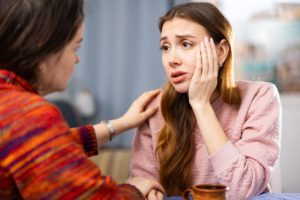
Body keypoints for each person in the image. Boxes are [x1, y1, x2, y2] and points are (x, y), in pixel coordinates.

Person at [0, 0, 165, 199]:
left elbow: (44, 144)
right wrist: (134, 189)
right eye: (74, 48)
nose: (77, 59)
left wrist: (120, 124)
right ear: (42, 49)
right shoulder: (26, 115)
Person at [130, 2, 281, 200]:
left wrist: (201, 105)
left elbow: (242, 189)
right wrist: (148, 190)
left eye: (186, 44)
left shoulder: (260, 97)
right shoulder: (154, 107)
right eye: (165, 47)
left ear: (221, 52)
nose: (171, 59)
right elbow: (141, 184)